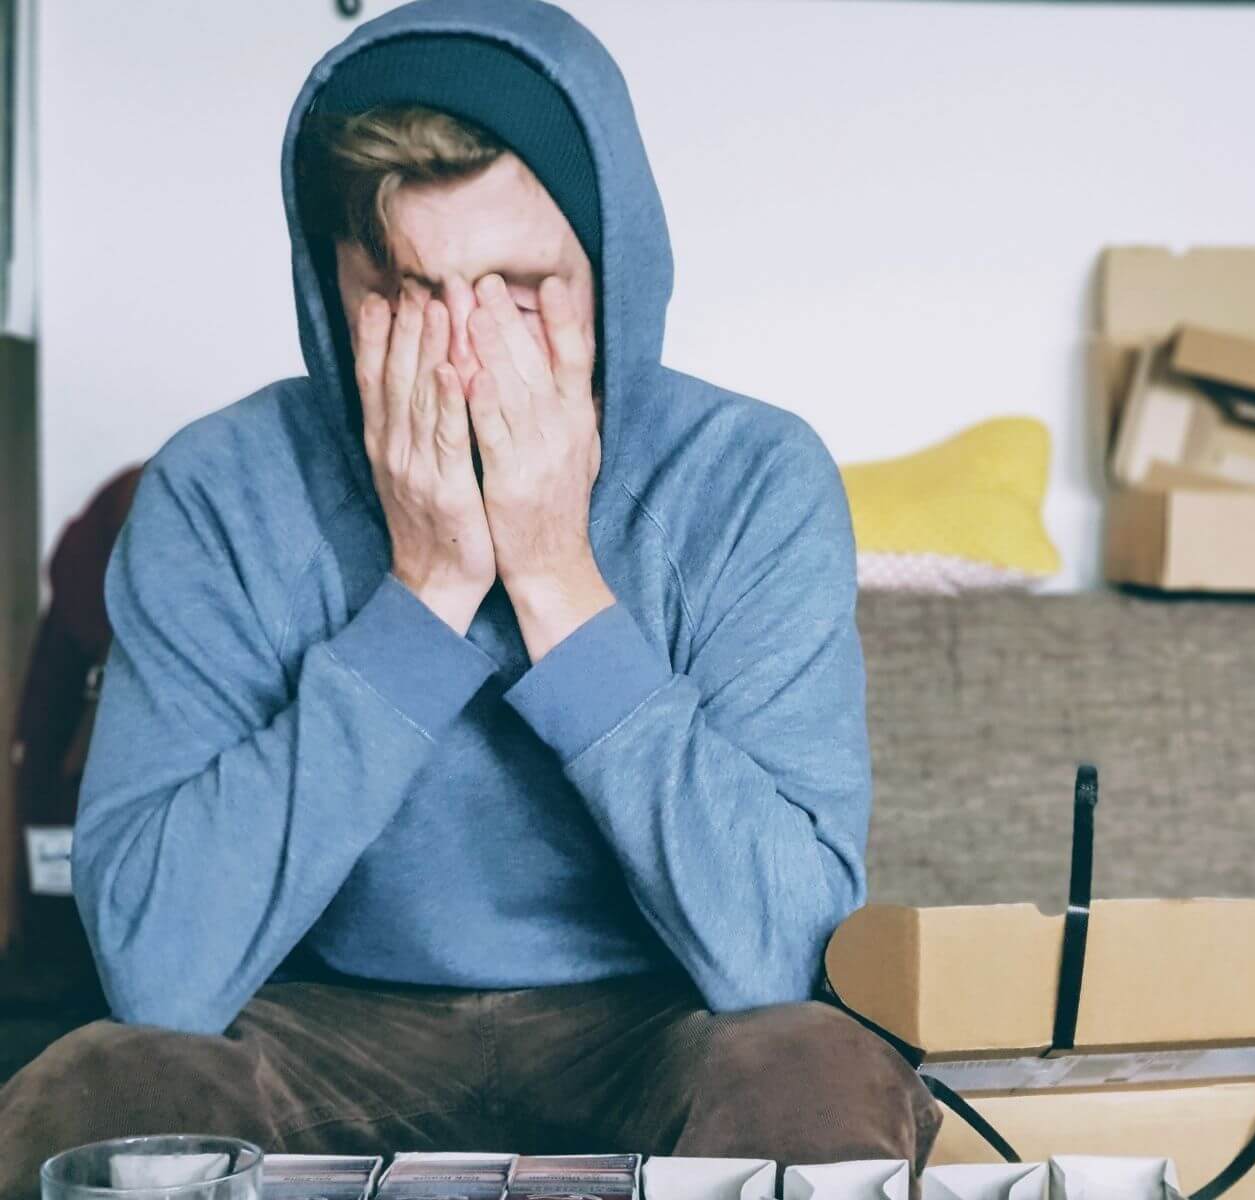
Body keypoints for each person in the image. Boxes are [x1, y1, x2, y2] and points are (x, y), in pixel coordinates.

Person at [0, 0, 940, 1187]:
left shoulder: (749, 478)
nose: (458, 356)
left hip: (652, 1022)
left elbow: (775, 956)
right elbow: (161, 975)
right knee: (99, 1084)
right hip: (320, 1022)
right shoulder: (216, 488)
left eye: (520, 287)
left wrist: (554, 578)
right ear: (328, 284)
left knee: (814, 1066)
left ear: (612, 267)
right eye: (401, 289)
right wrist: (427, 588)